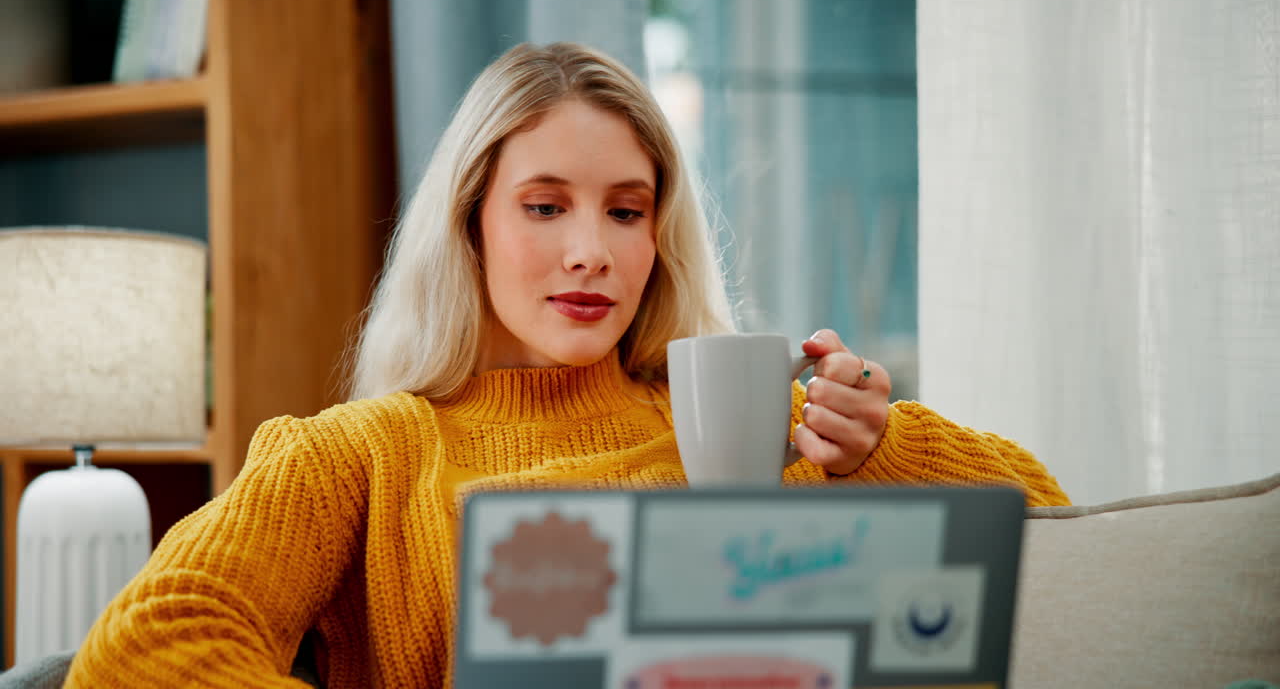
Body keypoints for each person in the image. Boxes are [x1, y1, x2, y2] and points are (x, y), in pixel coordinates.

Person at [65, 42, 1068, 688]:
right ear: (470, 227)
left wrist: (879, 448)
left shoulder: (745, 421)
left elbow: (1057, 531)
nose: (590, 248)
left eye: (625, 211)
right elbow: (148, 643)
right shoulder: (362, 454)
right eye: (544, 206)